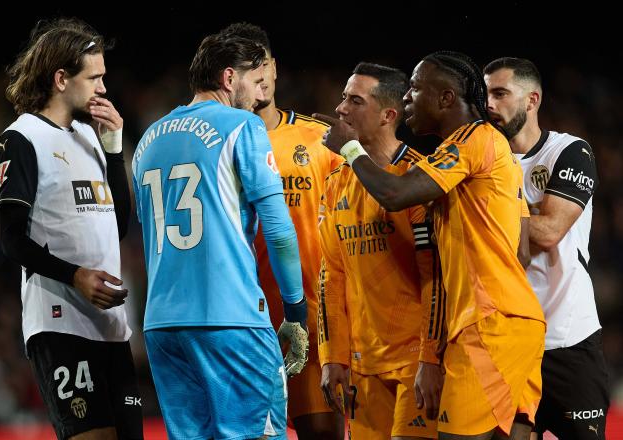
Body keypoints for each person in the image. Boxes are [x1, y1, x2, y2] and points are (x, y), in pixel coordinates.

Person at [314, 51, 545, 440]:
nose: (408, 98)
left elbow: (396, 193)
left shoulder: (472, 140)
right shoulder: (479, 152)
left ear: (446, 99)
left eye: (416, 89)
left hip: (486, 323)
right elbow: (521, 248)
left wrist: (350, 149)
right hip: (503, 320)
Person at [132, 32, 308, 440]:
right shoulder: (241, 125)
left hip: (163, 326)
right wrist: (295, 311)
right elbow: (279, 231)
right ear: (229, 78)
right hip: (231, 320)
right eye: (254, 79)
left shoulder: (147, 141)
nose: (260, 91)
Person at [0, 18, 142, 440]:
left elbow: (120, 224)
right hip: (61, 327)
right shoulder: (20, 139)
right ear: (61, 78)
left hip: (111, 328)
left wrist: (113, 150)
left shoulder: (90, 138)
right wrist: (74, 276)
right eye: (94, 78)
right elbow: (12, 240)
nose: (103, 88)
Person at [218, 22, 345, 440]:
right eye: (246, 68)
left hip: (310, 319)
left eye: (263, 64)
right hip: (244, 321)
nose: (260, 76)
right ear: (229, 78)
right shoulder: (218, 144)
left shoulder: (319, 139)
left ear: (274, 67)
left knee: (322, 432)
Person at [484, 57, 609, 440]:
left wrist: (482, 219)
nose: (489, 104)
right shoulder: (484, 163)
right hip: (506, 341)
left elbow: (550, 231)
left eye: (501, 93)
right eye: (486, 93)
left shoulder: (569, 152)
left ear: (532, 100)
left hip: (567, 337)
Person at [317, 62, 442, 440]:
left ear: (389, 115)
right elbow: (331, 274)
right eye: (343, 98)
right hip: (361, 366)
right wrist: (332, 356)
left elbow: (435, 276)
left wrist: (431, 358)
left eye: (355, 101)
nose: (341, 110)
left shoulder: (418, 179)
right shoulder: (337, 183)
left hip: (414, 366)